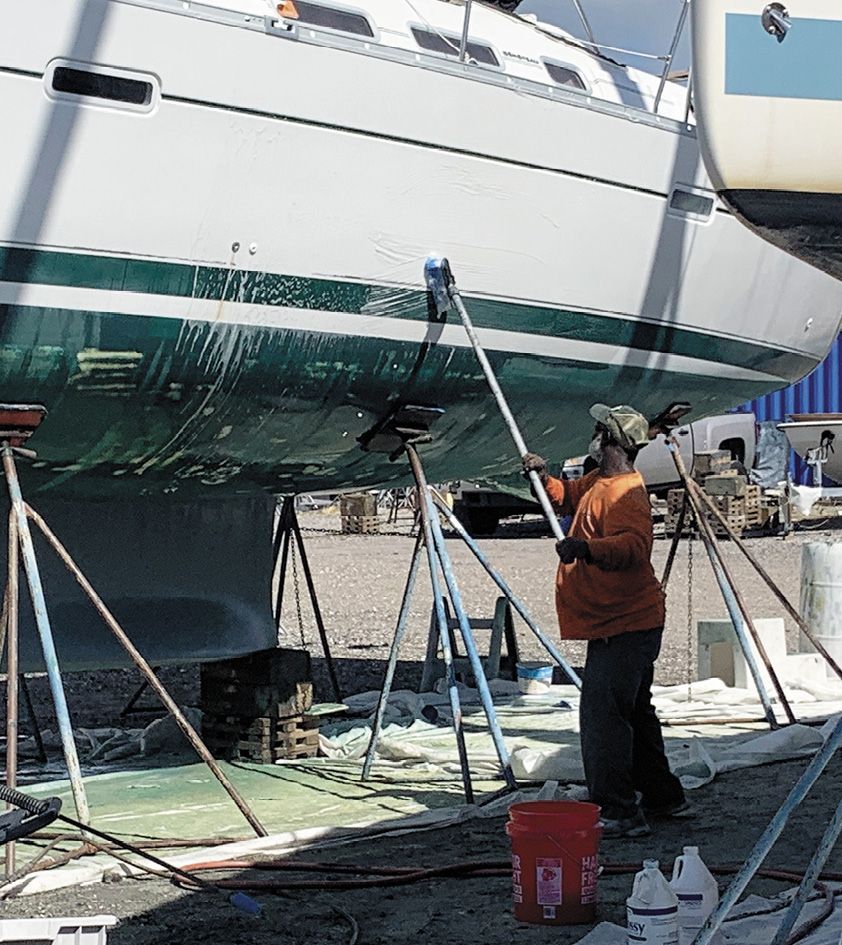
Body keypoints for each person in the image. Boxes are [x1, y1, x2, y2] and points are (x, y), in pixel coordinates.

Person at [523, 403, 686, 838]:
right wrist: (545, 480)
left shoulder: (627, 494)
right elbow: (573, 496)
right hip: (622, 622)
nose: (592, 435)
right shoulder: (601, 480)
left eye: (598, 430)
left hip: (626, 625)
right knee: (633, 710)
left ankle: (617, 809)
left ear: (611, 440)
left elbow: (634, 548)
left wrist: (586, 550)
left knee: (603, 716)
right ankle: (663, 795)